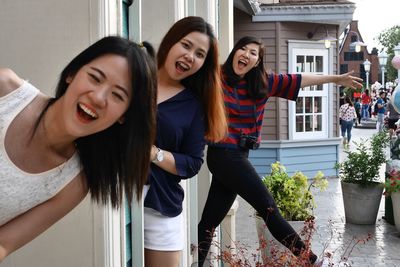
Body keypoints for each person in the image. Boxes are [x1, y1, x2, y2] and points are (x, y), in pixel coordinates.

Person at [197, 36, 363, 267]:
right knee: (268, 208)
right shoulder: (217, 76)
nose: (246, 54)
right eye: (242, 49)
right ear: (234, 52)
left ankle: (196, 262)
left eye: (253, 53)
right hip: (224, 154)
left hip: (238, 155)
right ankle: (312, 261)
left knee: (208, 222)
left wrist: (336, 78)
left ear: (258, 61)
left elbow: (301, 78)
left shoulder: (263, 82)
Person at [0, 36, 157, 262]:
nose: (98, 97)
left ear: (123, 116)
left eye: (117, 95)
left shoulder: (73, 182)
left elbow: (4, 242)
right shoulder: (6, 90)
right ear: (71, 74)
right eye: (95, 78)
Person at [142, 16, 227, 267]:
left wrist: (153, 153)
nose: (191, 56)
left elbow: (191, 163)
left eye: (200, 54)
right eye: (186, 45)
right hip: (114, 193)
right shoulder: (135, 79)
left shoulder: (194, 106)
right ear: (171, 42)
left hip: (159, 206)